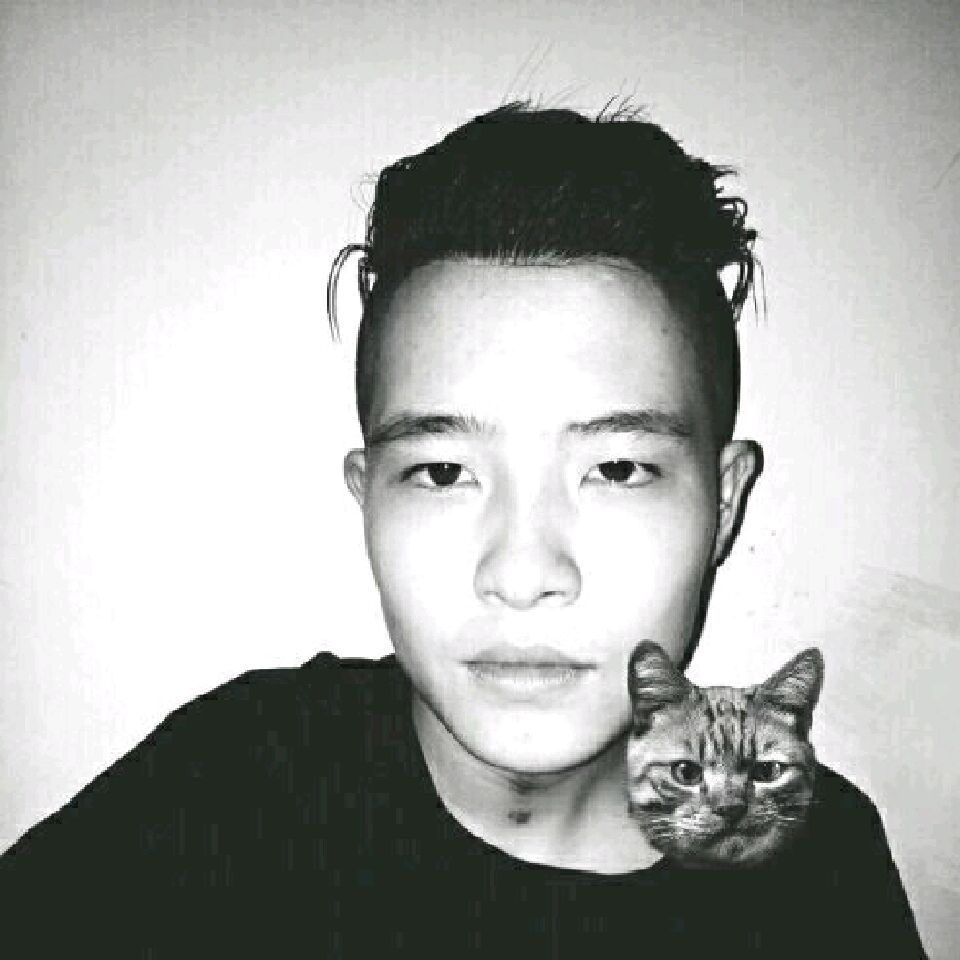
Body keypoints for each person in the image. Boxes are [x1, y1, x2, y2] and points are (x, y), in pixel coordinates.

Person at [0, 103, 928, 958]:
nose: (522, 573)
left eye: (616, 469)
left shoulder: (815, 866)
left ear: (724, 504)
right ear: (368, 499)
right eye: (443, 473)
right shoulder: (239, 781)